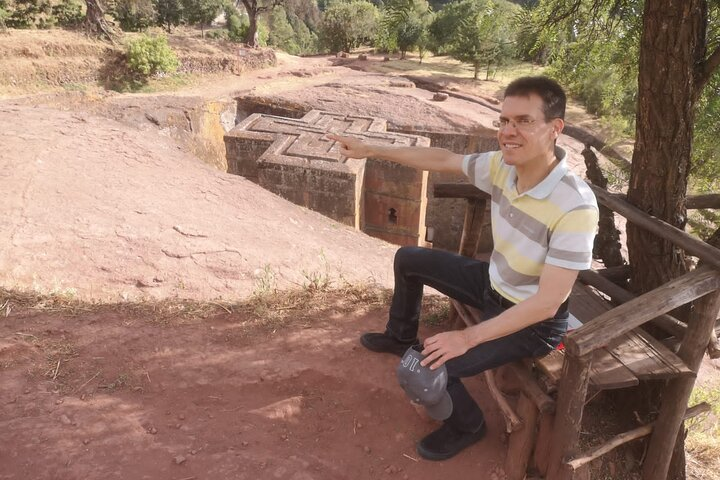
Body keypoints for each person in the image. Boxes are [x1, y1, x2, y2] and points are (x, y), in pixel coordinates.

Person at [328, 76, 599, 461]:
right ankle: (399, 334)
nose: (508, 132)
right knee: (409, 259)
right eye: (503, 121)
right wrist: (369, 149)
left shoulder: (575, 206)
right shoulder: (503, 167)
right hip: (494, 284)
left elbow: (547, 303)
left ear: (555, 128)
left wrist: (467, 338)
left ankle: (467, 425)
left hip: (533, 322)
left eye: (523, 121)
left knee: (422, 370)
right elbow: (442, 159)